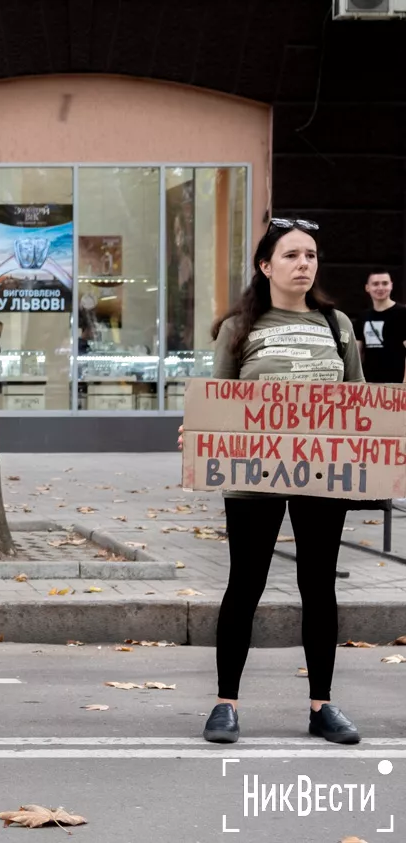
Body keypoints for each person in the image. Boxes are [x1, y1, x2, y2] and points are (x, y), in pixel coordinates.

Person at [196, 218, 362, 745]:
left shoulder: (337, 325)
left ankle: (322, 706)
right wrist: (196, 433)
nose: (304, 264)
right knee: (245, 584)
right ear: (266, 266)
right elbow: (215, 400)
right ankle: (225, 705)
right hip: (252, 474)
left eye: (311, 255)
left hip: (322, 473)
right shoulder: (238, 329)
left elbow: (358, 403)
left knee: (319, 587)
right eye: (292, 255)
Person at [351, 269, 406, 384]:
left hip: (397, 383)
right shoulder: (363, 316)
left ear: (391, 285)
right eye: (375, 284)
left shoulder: (402, 313)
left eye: (385, 283)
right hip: (369, 384)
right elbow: (357, 353)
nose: (380, 288)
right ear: (367, 288)